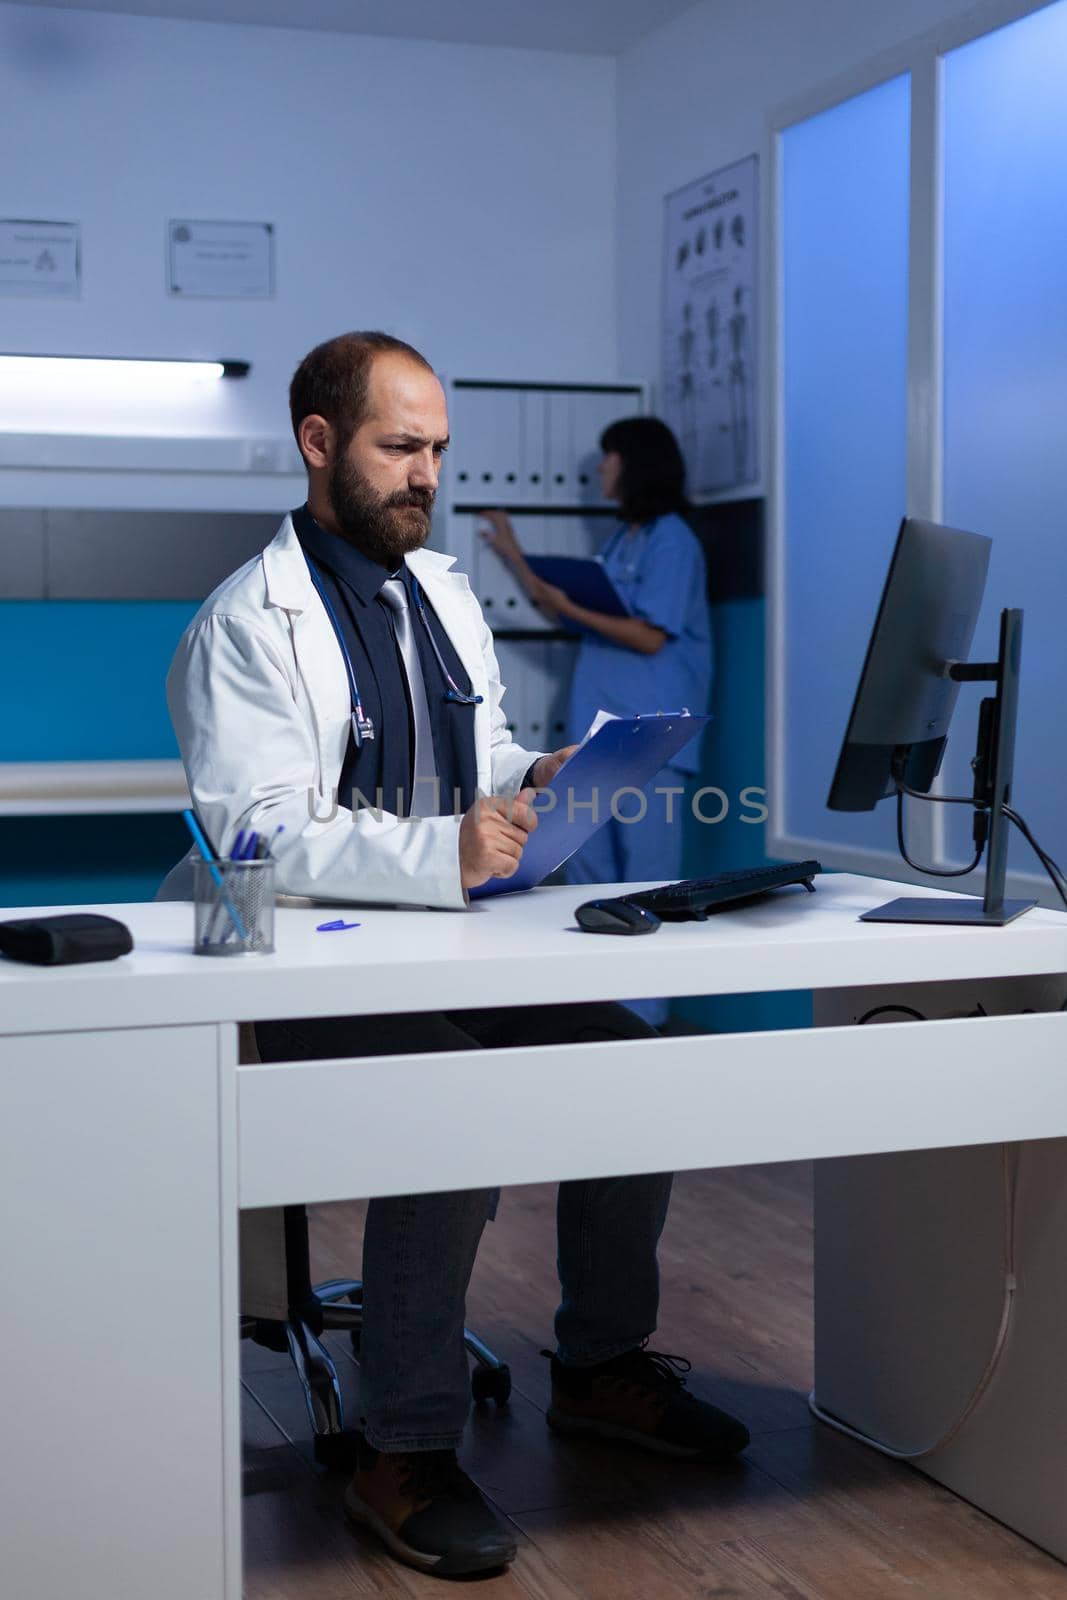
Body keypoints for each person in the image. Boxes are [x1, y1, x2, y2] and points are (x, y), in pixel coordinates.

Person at [163, 333, 747, 1581]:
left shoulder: (439, 595)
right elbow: (254, 825)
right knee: (446, 1108)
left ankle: (598, 1366)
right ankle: (402, 1445)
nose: (426, 475)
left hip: (445, 949)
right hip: (301, 964)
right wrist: (446, 851)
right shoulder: (244, 624)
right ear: (319, 444)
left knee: (628, 1068)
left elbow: (468, 761)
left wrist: (538, 773)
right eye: (399, 448)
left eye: (437, 449)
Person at [482, 416, 712, 1026]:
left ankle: (645, 1023)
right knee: (589, 882)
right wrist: (513, 554)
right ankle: (603, 1015)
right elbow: (573, 607)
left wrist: (568, 605)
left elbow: (648, 636)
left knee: (648, 885)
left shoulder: (672, 541)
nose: (600, 471)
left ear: (637, 464)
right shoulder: (623, 540)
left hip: (654, 737)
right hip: (600, 740)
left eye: (609, 458)